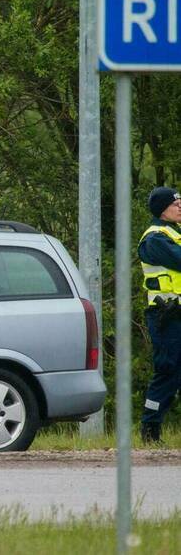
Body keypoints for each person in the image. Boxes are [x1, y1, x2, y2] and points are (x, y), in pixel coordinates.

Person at [137, 186, 181, 444]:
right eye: (176, 203)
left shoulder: (174, 234)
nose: (180, 207)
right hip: (166, 317)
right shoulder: (155, 239)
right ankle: (150, 428)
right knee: (167, 371)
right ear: (162, 209)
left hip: (176, 315)